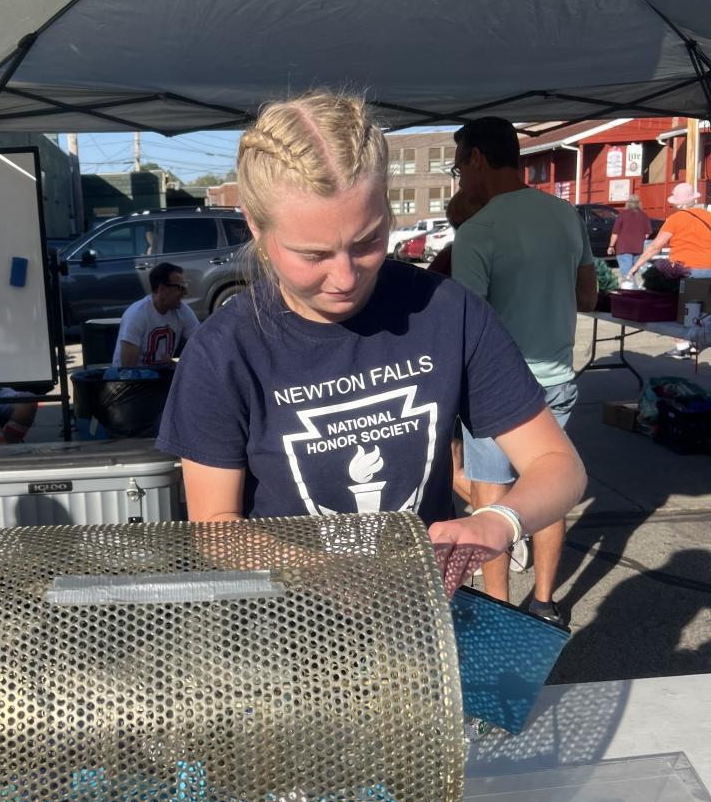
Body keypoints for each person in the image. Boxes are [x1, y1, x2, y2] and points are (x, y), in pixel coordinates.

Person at [157, 94, 586, 597]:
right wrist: (323, 572)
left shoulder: (447, 311)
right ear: (255, 224)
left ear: (385, 205)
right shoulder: (223, 351)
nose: (345, 277)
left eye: (366, 242)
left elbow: (559, 466)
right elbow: (215, 527)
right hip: (283, 619)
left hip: (420, 611)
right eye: (313, 254)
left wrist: (499, 520)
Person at [450, 116, 597, 626]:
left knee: (491, 501)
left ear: (477, 158)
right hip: (557, 379)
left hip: (496, 388)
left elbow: (467, 323)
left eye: (458, 168)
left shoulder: (478, 231)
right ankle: (544, 603)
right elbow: (588, 296)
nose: (461, 179)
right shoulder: (565, 214)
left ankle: (498, 611)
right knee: (548, 489)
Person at [628, 182, 711, 357]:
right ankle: (696, 343)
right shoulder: (708, 217)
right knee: (705, 310)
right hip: (709, 269)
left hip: (686, 271)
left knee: (679, 309)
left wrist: (635, 267)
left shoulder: (675, 219)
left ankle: (682, 346)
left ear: (678, 203)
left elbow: (655, 246)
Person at [112, 261, 200, 367]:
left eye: (185, 287)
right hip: (132, 376)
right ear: (162, 289)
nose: (185, 292)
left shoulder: (182, 311)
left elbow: (201, 344)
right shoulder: (137, 314)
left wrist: (175, 365)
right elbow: (128, 368)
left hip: (162, 375)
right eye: (180, 288)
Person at [606, 194, 652, 284]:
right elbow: (647, 234)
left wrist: (611, 246)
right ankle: (634, 289)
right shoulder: (644, 215)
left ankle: (630, 290)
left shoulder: (622, 214)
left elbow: (615, 233)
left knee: (627, 276)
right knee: (632, 274)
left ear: (628, 203)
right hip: (638, 249)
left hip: (624, 248)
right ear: (639, 203)